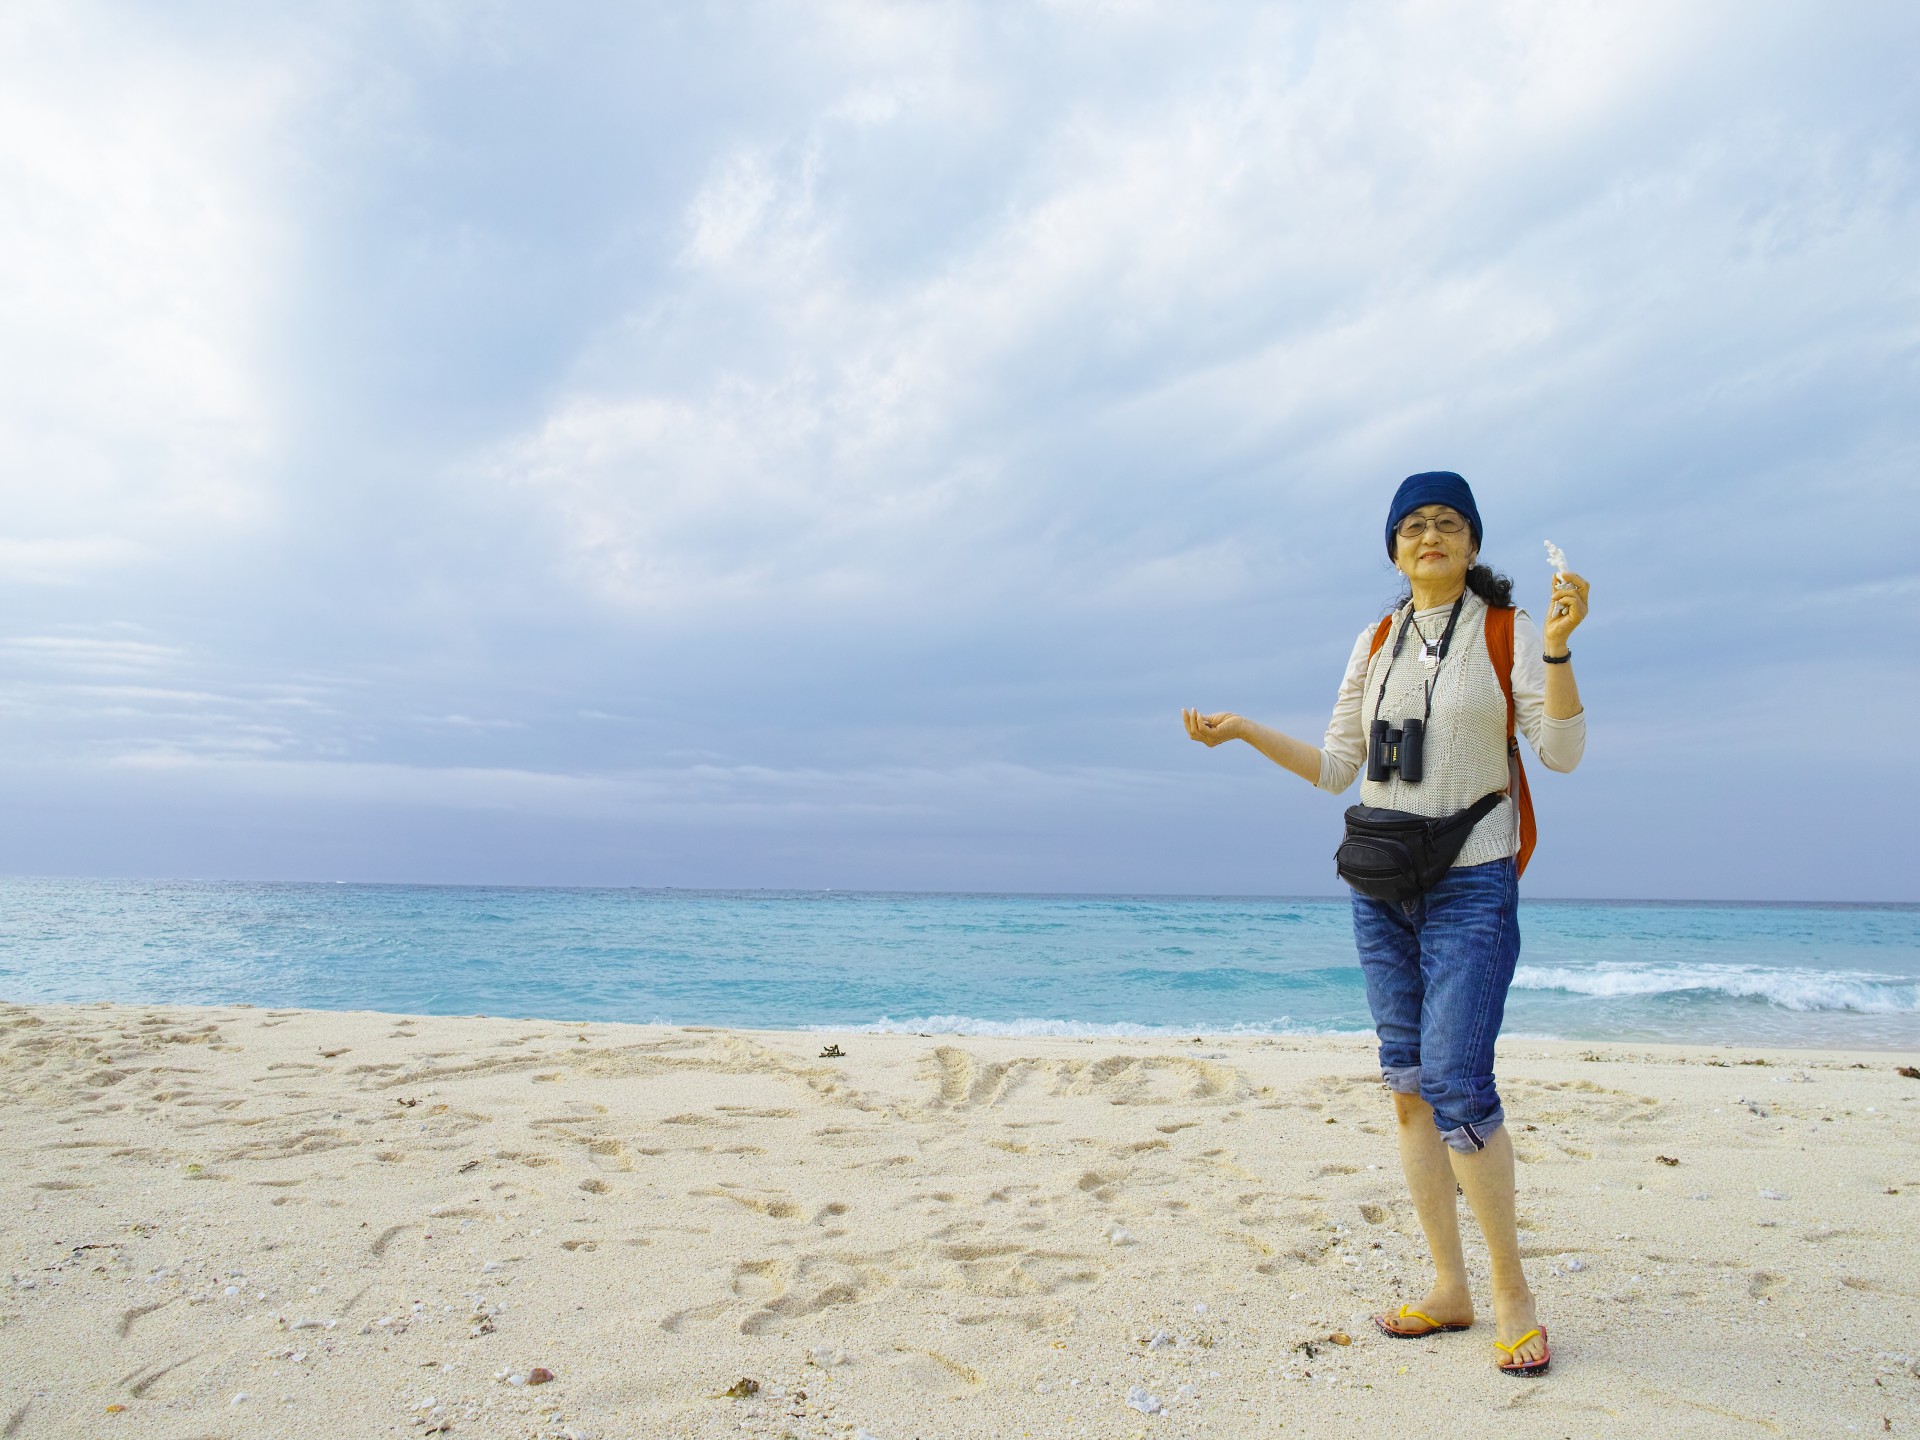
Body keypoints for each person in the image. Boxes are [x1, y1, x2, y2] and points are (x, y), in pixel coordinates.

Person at [1181, 470, 1589, 1376]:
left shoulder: (1509, 631)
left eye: (1447, 523)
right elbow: (1336, 767)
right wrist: (1244, 729)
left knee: (1456, 1082)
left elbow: (1559, 753)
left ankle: (1513, 1293)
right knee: (1407, 1084)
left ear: (1474, 545)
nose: (1429, 535)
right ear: (1394, 549)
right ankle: (1449, 1288)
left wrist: (1557, 651)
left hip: (1472, 883)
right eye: (1412, 525)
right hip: (1378, 886)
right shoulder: (1373, 640)